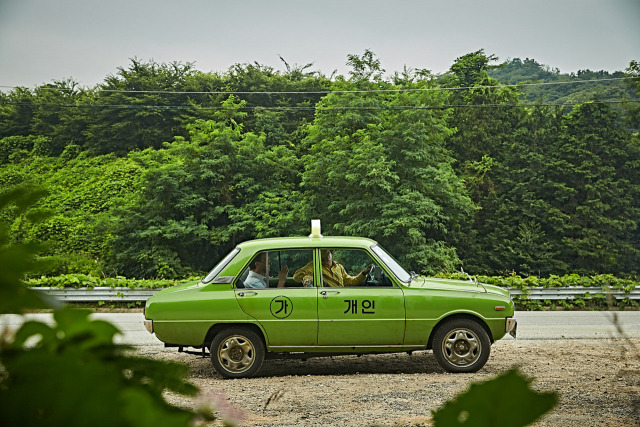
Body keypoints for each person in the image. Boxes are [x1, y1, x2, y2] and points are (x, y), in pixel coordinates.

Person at [293, 249, 373, 287]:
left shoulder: (338, 266)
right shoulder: (314, 265)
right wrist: (315, 278)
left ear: (332, 253)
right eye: (322, 252)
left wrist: (364, 273)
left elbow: (350, 282)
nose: (325, 254)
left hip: (342, 296)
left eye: (327, 251)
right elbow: (296, 276)